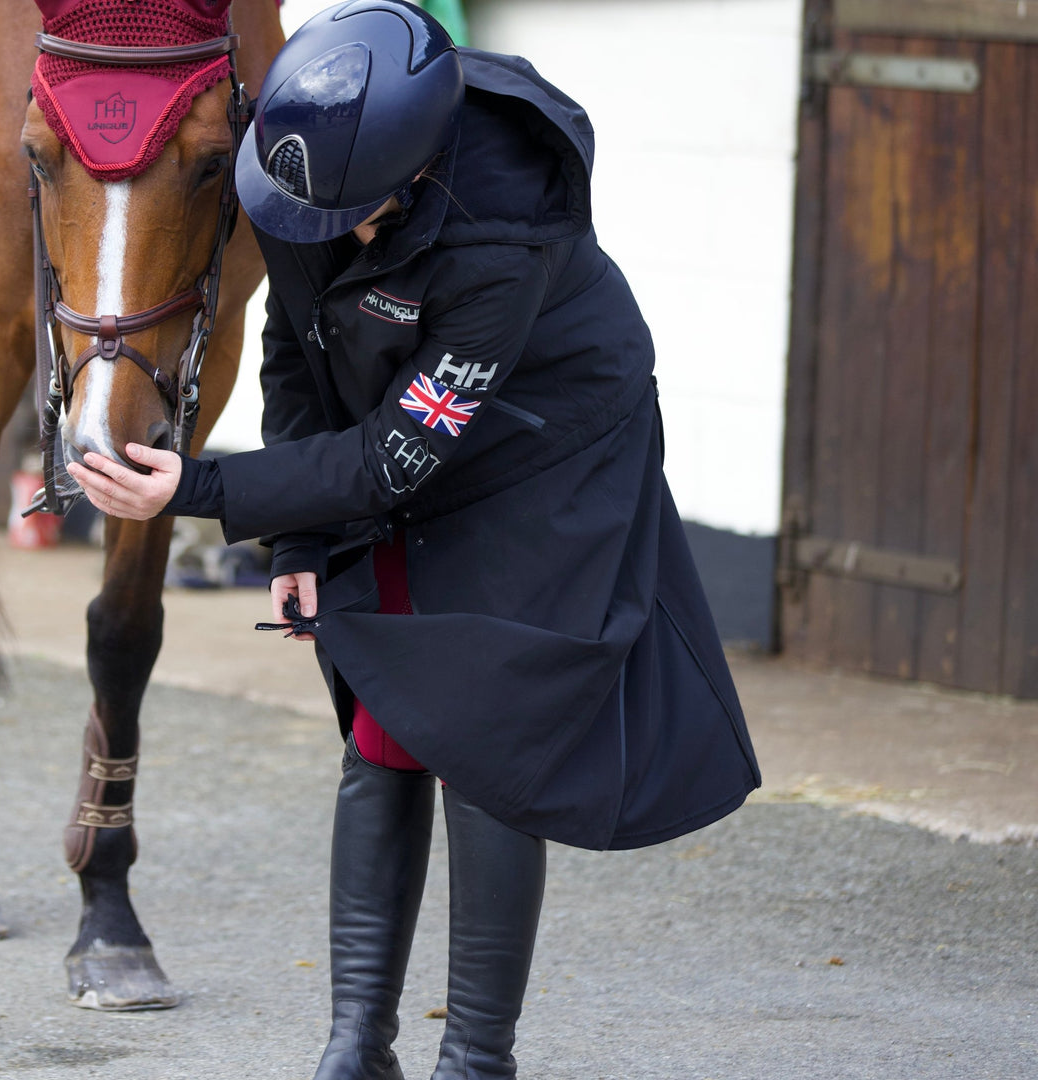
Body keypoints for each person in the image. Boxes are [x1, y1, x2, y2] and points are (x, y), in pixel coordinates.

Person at [68, 2, 761, 1077]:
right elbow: (297, 362)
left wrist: (198, 487)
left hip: (543, 447)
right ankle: (357, 1044)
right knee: (385, 730)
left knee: (489, 734)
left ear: (422, 172)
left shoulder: (502, 235)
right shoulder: (300, 182)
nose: (330, 234)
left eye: (357, 214)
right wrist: (293, 545)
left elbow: (398, 457)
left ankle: (476, 1060)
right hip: (385, 423)